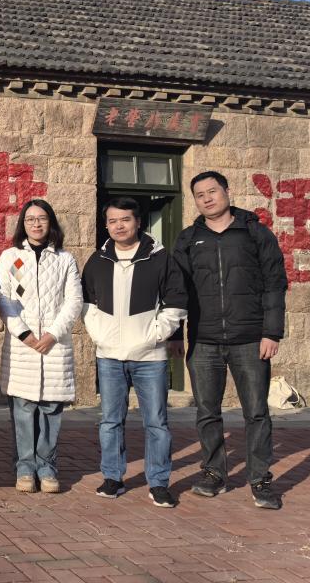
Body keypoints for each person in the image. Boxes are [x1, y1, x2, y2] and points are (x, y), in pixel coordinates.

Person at [173, 171, 288, 510]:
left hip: (249, 340)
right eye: (200, 195)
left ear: (226, 191)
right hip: (203, 340)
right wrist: (175, 334)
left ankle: (260, 479)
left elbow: (275, 284)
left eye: (212, 191)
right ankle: (213, 473)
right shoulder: (188, 239)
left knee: (256, 412)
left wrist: (271, 332)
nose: (207, 198)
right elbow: (176, 291)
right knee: (207, 412)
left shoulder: (255, 233)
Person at [80, 197, 188, 508]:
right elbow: (87, 304)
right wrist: (100, 336)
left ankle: (159, 482)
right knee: (110, 421)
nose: (119, 226)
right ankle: (113, 477)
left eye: (125, 219)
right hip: (109, 357)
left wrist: (154, 336)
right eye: (112, 221)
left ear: (138, 222)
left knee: (156, 423)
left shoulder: (160, 258)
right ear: (106, 225)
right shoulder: (98, 260)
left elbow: (175, 301)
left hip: (150, 357)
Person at [0, 199, 82, 495]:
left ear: (51, 222)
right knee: (22, 410)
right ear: (23, 223)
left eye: (42, 218)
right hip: (22, 346)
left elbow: (74, 301)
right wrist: (24, 334)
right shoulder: (11, 257)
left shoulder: (64, 259)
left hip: (54, 345)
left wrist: (53, 334)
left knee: (50, 409)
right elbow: (4, 299)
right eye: (30, 219)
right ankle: (24, 468)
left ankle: (47, 467)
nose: (36, 223)